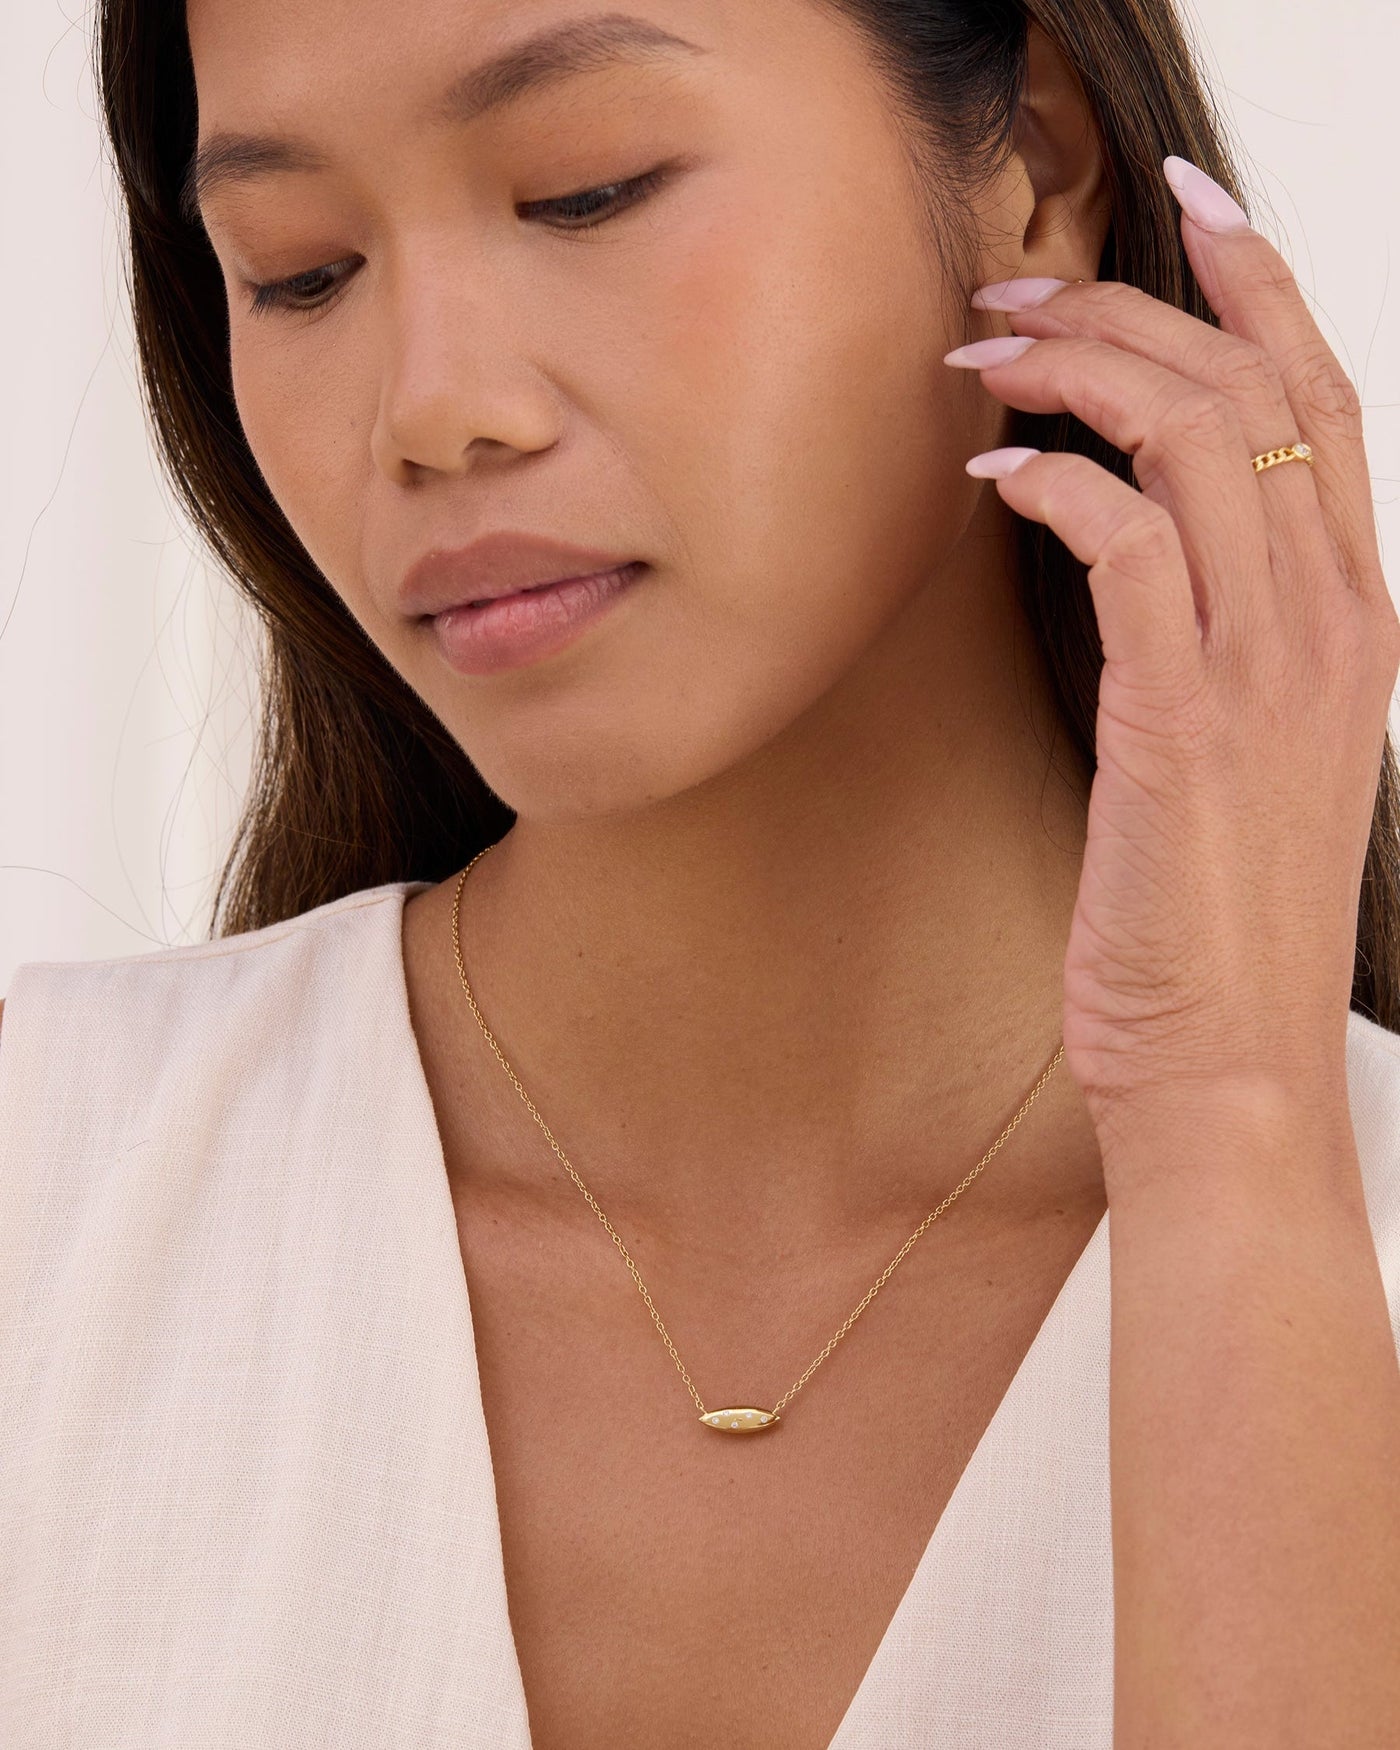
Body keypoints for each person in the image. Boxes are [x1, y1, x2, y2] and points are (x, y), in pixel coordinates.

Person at [3, 0, 1399, 1744]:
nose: (433, 410)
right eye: (301, 273)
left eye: (585, 191)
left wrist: (1233, 1135)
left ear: (1038, 167)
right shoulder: (44, 1202)